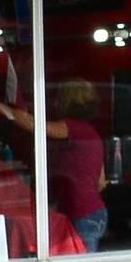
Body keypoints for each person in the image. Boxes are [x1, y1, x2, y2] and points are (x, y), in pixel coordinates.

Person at [45, 81, 109, 252]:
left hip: (81, 213)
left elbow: (38, 127)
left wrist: (9, 112)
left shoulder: (71, 128)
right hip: (95, 211)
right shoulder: (91, 132)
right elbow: (101, 182)